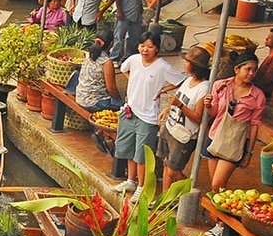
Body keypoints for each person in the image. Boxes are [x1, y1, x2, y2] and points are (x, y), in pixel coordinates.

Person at [113, 33, 182, 196]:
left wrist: (163, 90)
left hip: (148, 116)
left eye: (150, 46)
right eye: (142, 45)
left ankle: (141, 187)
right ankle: (130, 181)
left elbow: (181, 80)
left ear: (157, 48)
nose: (145, 50)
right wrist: (135, 82)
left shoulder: (162, 66)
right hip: (129, 110)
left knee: (142, 155)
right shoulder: (134, 59)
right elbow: (124, 69)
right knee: (128, 148)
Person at [199, 53, 267, 212]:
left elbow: (255, 125)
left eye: (254, 70)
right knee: (217, 187)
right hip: (214, 137)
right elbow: (215, 113)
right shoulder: (220, 85)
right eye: (248, 69)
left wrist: (249, 152)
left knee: (217, 184)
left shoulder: (258, 96)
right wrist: (208, 105)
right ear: (237, 69)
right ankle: (219, 221)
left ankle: (221, 223)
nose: (251, 73)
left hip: (234, 142)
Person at [157, 46, 212, 190]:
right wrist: (168, 109)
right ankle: (165, 199)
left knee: (173, 170)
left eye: (187, 62)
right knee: (166, 164)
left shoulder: (203, 88)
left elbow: (198, 117)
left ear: (195, 66)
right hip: (170, 127)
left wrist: (180, 106)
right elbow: (179, 100)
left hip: (183, 136)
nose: (184, 64)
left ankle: (189, 189)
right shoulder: (188, 81)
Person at [73, 38, 121, 114]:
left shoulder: (90, 55)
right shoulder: (106, 62)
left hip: (80, 97)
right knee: (124, 106)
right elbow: (111, 89)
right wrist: (119, 100)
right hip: (93, 103)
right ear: (111, 44)